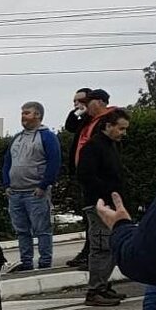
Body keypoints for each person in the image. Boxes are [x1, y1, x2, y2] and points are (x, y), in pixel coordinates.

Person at [76, 109, 129, 306]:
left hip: (111, 204)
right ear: (108, 126)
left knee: (111, 245)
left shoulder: (111, 146)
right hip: (98, 204)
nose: (123, 133)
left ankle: (103, 285)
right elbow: (85, 175)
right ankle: (95, 290)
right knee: (101, 246)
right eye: (120, 128)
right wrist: (106, 193)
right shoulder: (93, 147)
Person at [2, 101, 62, 272]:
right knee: (21, 231)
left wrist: (43, 185)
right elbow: (7, 161)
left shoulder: (48, 137)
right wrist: (6, 184)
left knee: (42, 229)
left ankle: (45, 263)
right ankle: (26, 262)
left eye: (27, 113)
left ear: (38, 115)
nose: (23, 116)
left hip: (36, 192)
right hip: (15, 193)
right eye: (22, 113)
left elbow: (54, 162)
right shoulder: (16, 138)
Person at [63, 88, 94, 268]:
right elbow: (70, 126)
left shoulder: (94, 121)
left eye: (80, 101)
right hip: (80, 173)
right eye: (74, 101)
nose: (76, 104)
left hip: (92, 174)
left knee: (93, 217)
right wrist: (75, 112)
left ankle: (92, 252)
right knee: (87, 215)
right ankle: (87, 251)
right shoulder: (81, 121)